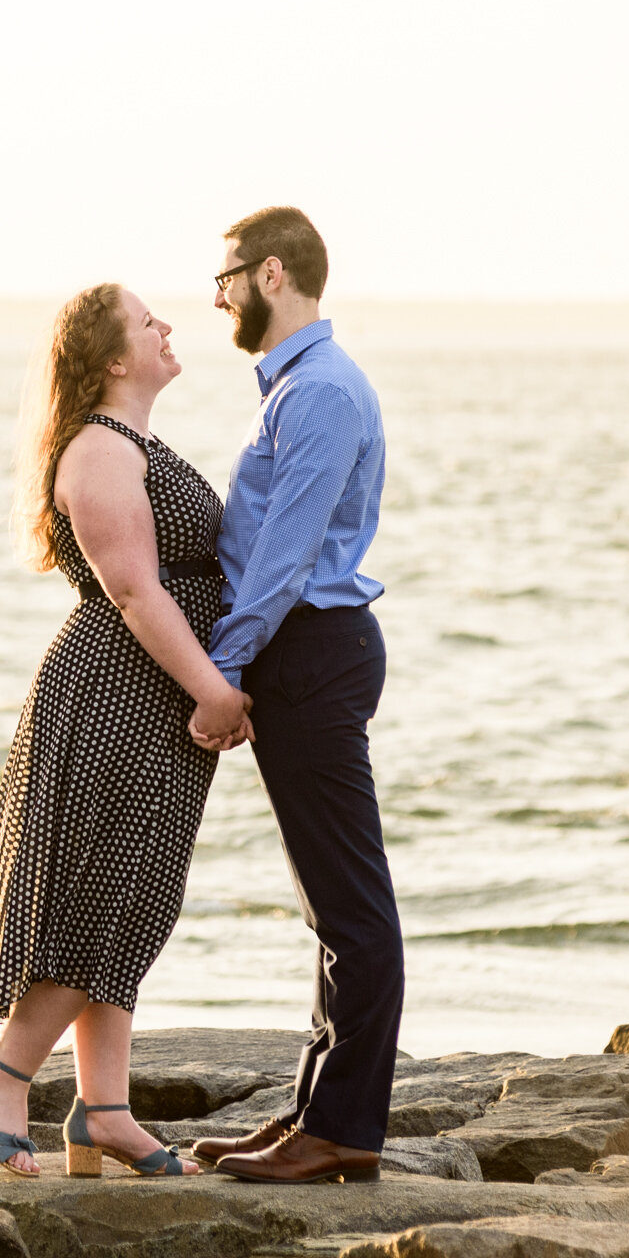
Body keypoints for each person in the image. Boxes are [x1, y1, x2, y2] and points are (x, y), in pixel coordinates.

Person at [0, 283, 251, 1178]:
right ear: (115, 359)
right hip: (117, 691)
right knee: (104, 893)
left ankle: (103, 1107)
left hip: (150, 696)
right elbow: (133, 590)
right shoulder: (98, 450)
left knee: (131, 900)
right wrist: (214, 690)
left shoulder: (135, 442)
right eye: (149, 322)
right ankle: (2, 1073)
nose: (167, 327)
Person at [184, 206, 400, 1186]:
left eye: (224, 276)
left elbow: (282, 556)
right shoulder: (299, 385)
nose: (217, 296)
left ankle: (344, 1129)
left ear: (271, 274)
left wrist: (222, 667)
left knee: (350, 906)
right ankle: (315, 1114)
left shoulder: (315, 392)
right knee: (330, 905)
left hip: (308, 650)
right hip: (306, 650)